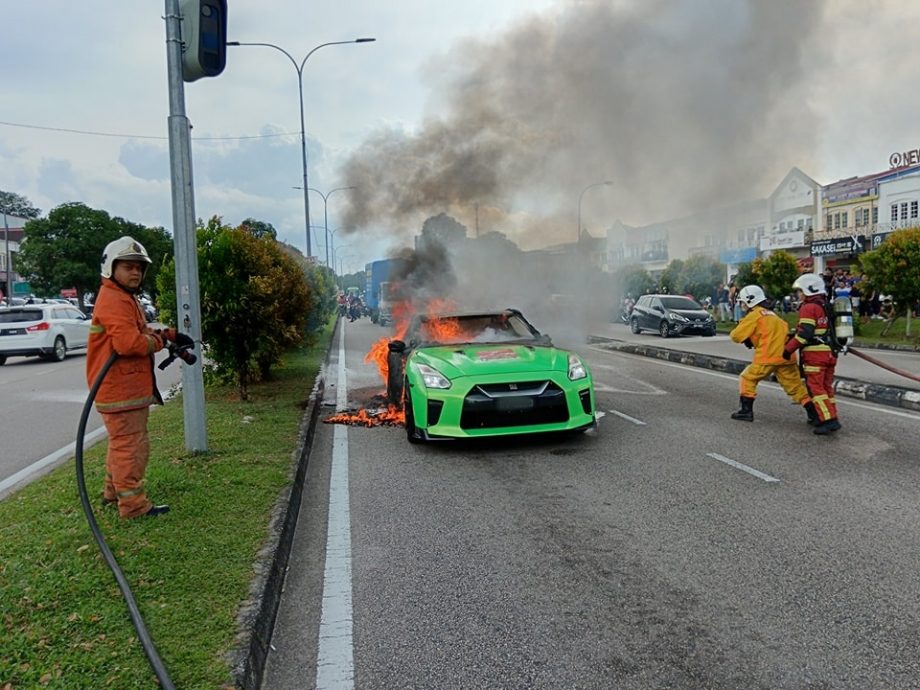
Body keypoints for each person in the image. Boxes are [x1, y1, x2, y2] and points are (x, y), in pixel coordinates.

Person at [86, 236, 191, 518]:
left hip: (121, 389)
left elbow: (139, 331)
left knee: (121, 443)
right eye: (128, 267)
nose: (135, 272)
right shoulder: (114, 299)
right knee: (131, 447)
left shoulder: (122, 297)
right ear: (111, 268)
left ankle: (112, 492)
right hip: (120, 390)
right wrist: (159, 344)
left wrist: (168, 334)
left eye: (139, 268)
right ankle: (133, 506)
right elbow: (128, 344)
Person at [729, 285, 817, 424]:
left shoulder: (754, 315)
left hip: (767, 357)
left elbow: (736, 336)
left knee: (747, 378)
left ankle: (746, 411)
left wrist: (746, 334)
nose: (741, 305)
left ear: (750, 301)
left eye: (742, 302)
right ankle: (814, 415)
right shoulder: (773, 315)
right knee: (795, 387)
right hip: (786, 357)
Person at [784, 273, 840, 435]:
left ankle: (828, 421)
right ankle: (830, 415)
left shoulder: (809, 307)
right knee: (826, 388)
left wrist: (788, 350)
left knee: (816, 389)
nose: (798, 295)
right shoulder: (825, 305)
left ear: (809, 290)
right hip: (830, 354)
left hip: (815, 356)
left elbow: (805, 334)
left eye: (800, 291)